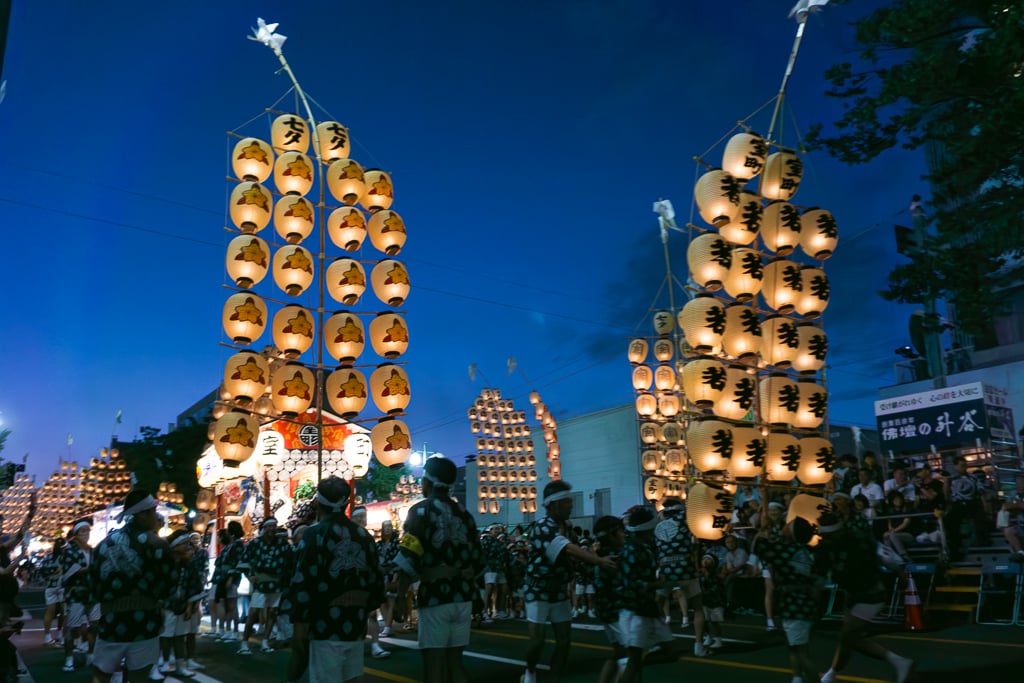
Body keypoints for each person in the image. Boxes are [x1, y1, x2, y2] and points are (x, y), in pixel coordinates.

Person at [392, 456, 481, 683]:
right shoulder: (465, 514)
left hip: (435, 597)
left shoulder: (421, 511)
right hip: (462, 596)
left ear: (428, 482)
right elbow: (478, 559)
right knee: (455, 661)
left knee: (434, 662)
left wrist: (401, 596)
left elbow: (407, 557)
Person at [290, 476, 385, 683]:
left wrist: (300, 625)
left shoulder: (314, 535)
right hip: (355, 624)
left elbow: (303, 583)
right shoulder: (364, 536)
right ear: (347, 502)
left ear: (318, 502)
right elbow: (376, 582)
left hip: (325, 626)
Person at [521, 480, 615, 683]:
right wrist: (598, 561)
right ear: (553, 505)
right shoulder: (542, 526)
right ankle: (529, 671)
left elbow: (576, 554)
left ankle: (555, 678)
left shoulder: (568, 528)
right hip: (538, 591)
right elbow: (567, 549)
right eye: (566, 502)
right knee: (537, 641)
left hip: (559, 591)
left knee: (564, 641)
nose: (571, 506)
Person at [814, 512, 914, 683]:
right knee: (850, 638)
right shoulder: (826, 547)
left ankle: (899, 662)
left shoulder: (857, 539)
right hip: (854, 594)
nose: (828, 538)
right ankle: (899, 662)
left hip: (871, 594)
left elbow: (883, 555)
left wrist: (899, 572)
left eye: (831, 535)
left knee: (847, 637)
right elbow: (819, 577)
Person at [89, 490, 176, 683]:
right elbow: (170, 587)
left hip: (111, 622)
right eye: (154, 512)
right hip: (145, 623)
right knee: (139, 677)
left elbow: (93, 584)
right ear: (143, 514)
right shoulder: (158, 545)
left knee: (101, 676)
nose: (156, 517)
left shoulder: (104, 544)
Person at [755, 516, 820, 683]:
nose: (784, 525)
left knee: (801, 651)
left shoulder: (786, 552)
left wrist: (762, 529)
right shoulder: (804, 551)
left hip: (795, 605)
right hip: (804, 604)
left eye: (788, 525)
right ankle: (797, 677)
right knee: (795, 647)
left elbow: (759, 546)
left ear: (791, 533)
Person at [617, 507, 671, 683]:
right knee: (634, 662)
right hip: (634, 610)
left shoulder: (644, 546)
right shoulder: (632, 549)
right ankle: (634, 661)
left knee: (669, 653)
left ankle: (636, 660)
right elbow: (631, 582)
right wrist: (656, 583)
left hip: (646, 607)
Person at [653, 496, 706, 650]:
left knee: (658, 606)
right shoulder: (687, 520)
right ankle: (699, 645)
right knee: (697, 607)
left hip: (665, 570)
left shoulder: (658, 525)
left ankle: (656, 641)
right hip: (686, 568)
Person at [238, 517, 293, 655]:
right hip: (260, 582)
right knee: (254, 613)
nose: (272, 529)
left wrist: (284, 578)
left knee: (273, 612)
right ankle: (244, 642)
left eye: (274, 526)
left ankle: (265, 641)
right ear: (263, 529)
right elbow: (243, 562)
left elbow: (290, 563)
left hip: (276, 582)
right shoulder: (254, 543)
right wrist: (250, 577)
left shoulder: (282, 544)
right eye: (269, 526)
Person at [158, 530, 203, 677]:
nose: (188, 546)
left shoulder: (187, 565)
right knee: (165, 636)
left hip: (182, 606)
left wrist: (190, 606)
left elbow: (193, 587)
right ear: (175, 547)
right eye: (184, 544)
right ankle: (165, 661)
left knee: (179, 637)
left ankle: (180, 665)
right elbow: (158, 586)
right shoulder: (165, 564)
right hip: (166, 606)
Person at [349, 506, 390, 660]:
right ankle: (359, 645)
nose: (362, 519)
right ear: (352, 519)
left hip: (368, 579)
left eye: (363, 516)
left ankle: (375, 644)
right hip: (353, 581)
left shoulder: (368, 536)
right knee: (356, 614)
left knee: (372, 613)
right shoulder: (348, 536)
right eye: (358, 517)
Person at [591, 515, 626, 683]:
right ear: (611, 535)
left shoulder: (600, 555)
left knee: (619, 655)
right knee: (630, 656)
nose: (624, 535)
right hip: (618, 612)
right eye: (621, 531)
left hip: (606, 611)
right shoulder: (614, 558)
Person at [60, 517, 97, 673]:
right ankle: (69, 658)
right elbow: (69, 572)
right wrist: (89, 569)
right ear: (75, 534)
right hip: (76, 593)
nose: (86, 534)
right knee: (72, 628)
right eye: (83, 531)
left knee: (95, 625)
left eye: (88, 531)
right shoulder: (69, 551)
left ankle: (91, 655)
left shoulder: (92, 550)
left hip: (93, 593)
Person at [212, 522, 245, 642]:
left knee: (232, 605)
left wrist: (231, 578)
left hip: (230, 577)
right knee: (227, 604)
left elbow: (236, 563)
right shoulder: (232, 545)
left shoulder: (237, 545)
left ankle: (235, 631)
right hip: (224, 577)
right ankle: (228, 630)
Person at [39, 537, 66, 646]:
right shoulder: (65, 557)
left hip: (50, 586)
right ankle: (60, 634)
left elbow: (42, 572)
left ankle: (47, 636)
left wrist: (48, 579)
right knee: (64, 612)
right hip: (62, 586)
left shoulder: (48, 557)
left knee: (50, 611)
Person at [376, 520, 400, 637]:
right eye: (385, 527)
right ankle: (387, 625)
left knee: (390, 601)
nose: (387, 529)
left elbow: (398, 561)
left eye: (389, 527)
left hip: (392, 573)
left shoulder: (396, 543)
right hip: (381, 574)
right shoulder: (379, 544)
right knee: (381, 601)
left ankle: (388, 627)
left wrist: (395, 577)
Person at [999, 475, 1024, 561]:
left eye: (1022, 482)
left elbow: (1021, 505)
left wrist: (1015, 505)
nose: (1020, 485)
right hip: (1020, 525)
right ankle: (1020, 552)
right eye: (1018, 483)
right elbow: (1008, 505)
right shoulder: (1016, 496)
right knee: (1008, 530)